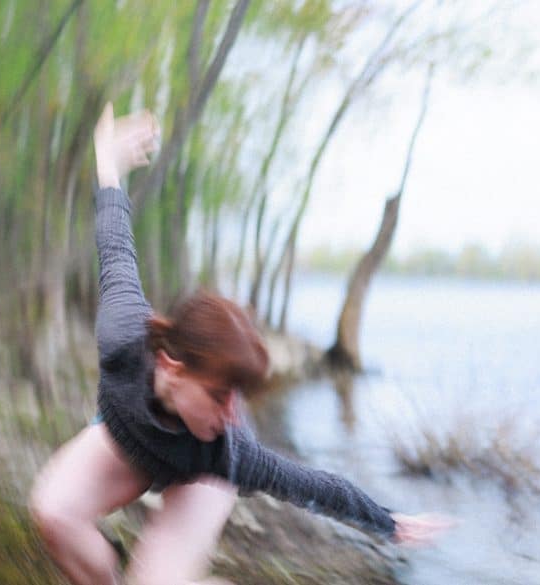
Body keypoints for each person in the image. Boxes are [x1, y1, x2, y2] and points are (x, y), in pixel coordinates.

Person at [29, 103, 452, 585]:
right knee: (53, 511)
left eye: (239, 399)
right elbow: (115, 244)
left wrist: (389, 523)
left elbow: (318, 487)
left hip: (200, 475)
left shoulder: (230, 449)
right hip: (130, 435)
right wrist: (109, 167)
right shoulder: (125, 337)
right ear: (171, 367)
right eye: (217, 394)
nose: (231, 413)